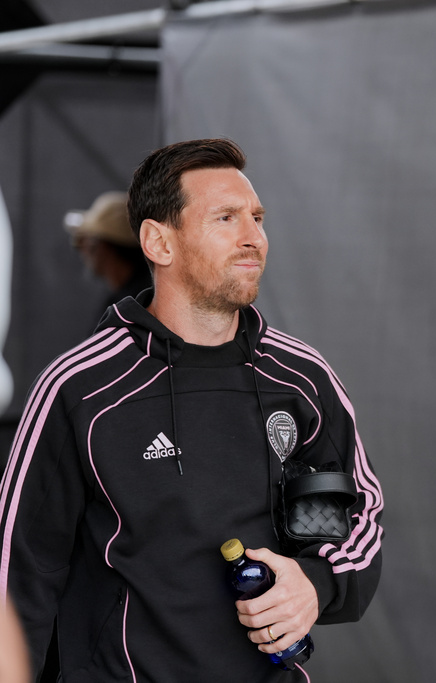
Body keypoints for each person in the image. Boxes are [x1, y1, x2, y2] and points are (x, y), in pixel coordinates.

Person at [0, 138, 384, 681]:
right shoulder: (81, 388)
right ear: (159, 241)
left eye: (257, 217)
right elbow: (18, 578)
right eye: (225, 218)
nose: (253, 238)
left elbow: (350, 517)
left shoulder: (301, 380)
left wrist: (314, 583)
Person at [64, 190, 151, 314]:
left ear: (101, 247)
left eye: (83, 240)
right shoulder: (147, 295)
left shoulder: (128, 310)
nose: (81, 249)